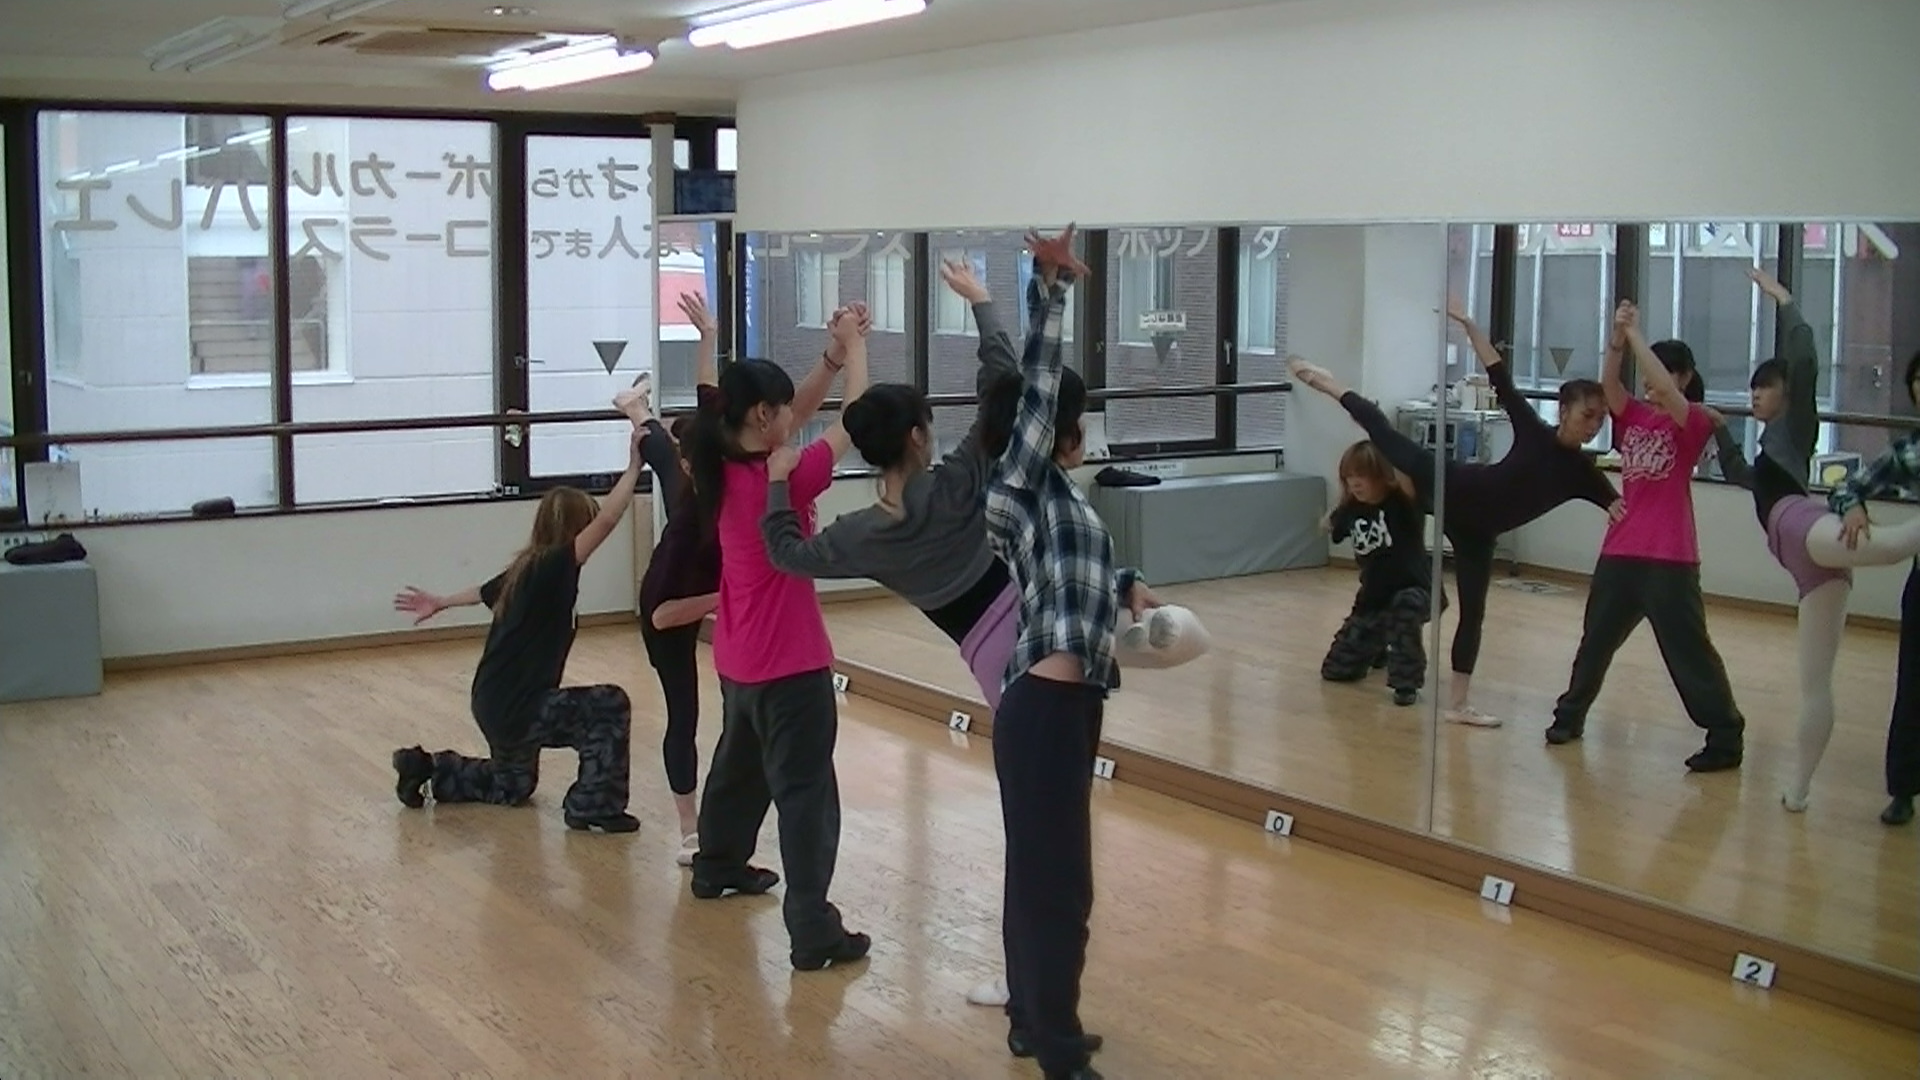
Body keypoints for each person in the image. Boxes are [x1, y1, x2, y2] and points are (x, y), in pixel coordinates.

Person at [983, 226, 1158, 1080]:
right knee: (1059, 884)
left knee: (1041, 874)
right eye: (1071, 423)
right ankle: (1055, 1045)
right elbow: (1041, 384)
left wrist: (1125, 583)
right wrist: (1049, 290)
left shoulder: (1060, 504)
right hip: (1047, 708)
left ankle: (1033, 1020)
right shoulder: (1019, 485)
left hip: (1066, 704)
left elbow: (1065, 574)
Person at [1289, 302, 1621, 728]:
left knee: (1474, 613)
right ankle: (1325, 382)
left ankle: (1459, 704)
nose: (1593, 425)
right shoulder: (1534, 430)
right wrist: (1468, 324)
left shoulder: (1585, 474)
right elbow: (1498, 372)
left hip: (1477, 534)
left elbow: (1620, 508)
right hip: (1451, 485)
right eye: (1587, 415)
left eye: (1601, 419)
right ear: (1564, 411)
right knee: (1382, 434)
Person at [682, 301, 875, 973]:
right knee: (806, 797)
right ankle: (813, 930)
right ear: (762, 416)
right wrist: (856, 349)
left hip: (738, 657)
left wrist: (831, 358)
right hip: (790, 664)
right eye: (783, 410)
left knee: (738, 769)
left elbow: (795, 413)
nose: (794, 416)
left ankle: (717, 864)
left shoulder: (715, 456)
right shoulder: (783, 482)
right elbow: (856, 420)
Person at [1705, 274, 1920, 812]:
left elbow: (1804, 359)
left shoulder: (1795, 425)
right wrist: (1718, 428)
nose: (1755, 395)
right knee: (1815, 684)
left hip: (1804, 526)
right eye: (1751, 389)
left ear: (1787, 394)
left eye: (1763, 387)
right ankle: (1798, 790)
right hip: (1808, 566)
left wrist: (1785, 302)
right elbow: (1738, 473)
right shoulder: (1767, 455)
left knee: (1894, 544)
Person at [388, 440, 645, 833]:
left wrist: (439, 602)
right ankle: (594, 805)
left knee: (513, 785)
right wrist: (634, 468)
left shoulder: (528, 568)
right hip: (516, 706)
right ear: (574, 528)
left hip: (494, 702)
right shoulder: (550, 567)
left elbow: (481, 592)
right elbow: (609, 520)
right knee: (610, 705)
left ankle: (427, 769)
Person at [1546, 301, 1745, 772]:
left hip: (1670, 558)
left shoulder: (1693, 420)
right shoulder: (1633, 415)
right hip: (1620, 551)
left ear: (1685, 377)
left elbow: (1666, 391)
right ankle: (1569, 716)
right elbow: (1610, 385)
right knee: (1595, 642)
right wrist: (1617, 340)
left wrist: (1635, 335)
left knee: (1688, 652)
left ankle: (1725, 736)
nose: (1653, 383)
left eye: (1665, 372)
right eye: (1652, 373)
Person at [618, 293, 722, 865]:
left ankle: (636, 410)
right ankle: (689, 827)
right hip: (665, 608)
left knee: (659, 457)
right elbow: (662, 615)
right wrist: (722, 598)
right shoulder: (687, 528)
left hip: (698, 581)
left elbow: (708, 401)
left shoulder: (711, 472)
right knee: (685, 713)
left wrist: (709, 337)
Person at [1826, 350, 1920, 827]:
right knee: (1912, 689)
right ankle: (1903, 788)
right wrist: (1854, 508)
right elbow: (1846, 487)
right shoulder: (1909, 452)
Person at [1317, 440, 1434, 706]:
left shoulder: (1401, 503)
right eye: (1349, 477)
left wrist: (1382, 438)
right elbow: (1328, 525)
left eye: (1362, 476)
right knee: (1335, 671)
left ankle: (1406, 682)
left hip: (1415, 591)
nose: (1355, 483)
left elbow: (1406, 476)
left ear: (1381, 476)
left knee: (1403, 610)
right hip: (1374, 597)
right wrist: (1335, 510)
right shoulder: (1351, 509)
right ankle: (1379, 644)